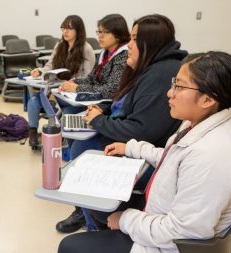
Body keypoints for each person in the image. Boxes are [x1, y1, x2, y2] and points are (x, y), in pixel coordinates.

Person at [57, 50, 231, 253]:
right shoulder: (204, 122)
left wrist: (126, 219)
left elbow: (183, 232)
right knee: (98, 204)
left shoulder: (213, 156)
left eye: (180, 87)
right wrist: (131, 147)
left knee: (69, 251)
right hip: (165, 216)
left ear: (207, 99)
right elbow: (176, 158)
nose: (169, 93)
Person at [56, 14, 187, 233]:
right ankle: (87, 216)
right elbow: (122, 100)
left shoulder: (159, 74)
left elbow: (142, 129)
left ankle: (93, 225)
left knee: (82, 149)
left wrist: (99, 120)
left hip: (148, 153)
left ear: (150, 43)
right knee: (77, 135)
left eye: (135, 39)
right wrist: (103, 111)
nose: (130, 45)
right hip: (137, 140)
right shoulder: (147, 67)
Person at [27, 15, 95, 147]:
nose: (65, 32)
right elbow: (50, 64)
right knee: (32, 102)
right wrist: (40, 71)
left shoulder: (86, 49)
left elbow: (89, 77)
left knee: (41, 96)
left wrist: (72, 83)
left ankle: (54, 125)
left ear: (78, 30)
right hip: (57, 89)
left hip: (73, 93)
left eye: (69, 29)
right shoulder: (59, 45)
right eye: (63, 28)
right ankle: (33, 134)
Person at [57, 13, 130, 112]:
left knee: (67, 110)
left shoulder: (123, 55)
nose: (100, 36)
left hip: (110, 105)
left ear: (118, 34)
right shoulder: (104, 53)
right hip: (95, 99)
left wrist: (77, 88)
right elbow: (91, 78)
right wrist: (74, 82)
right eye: (99, 32)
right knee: (49, 98)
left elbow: (110, 90)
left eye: (105, 32)